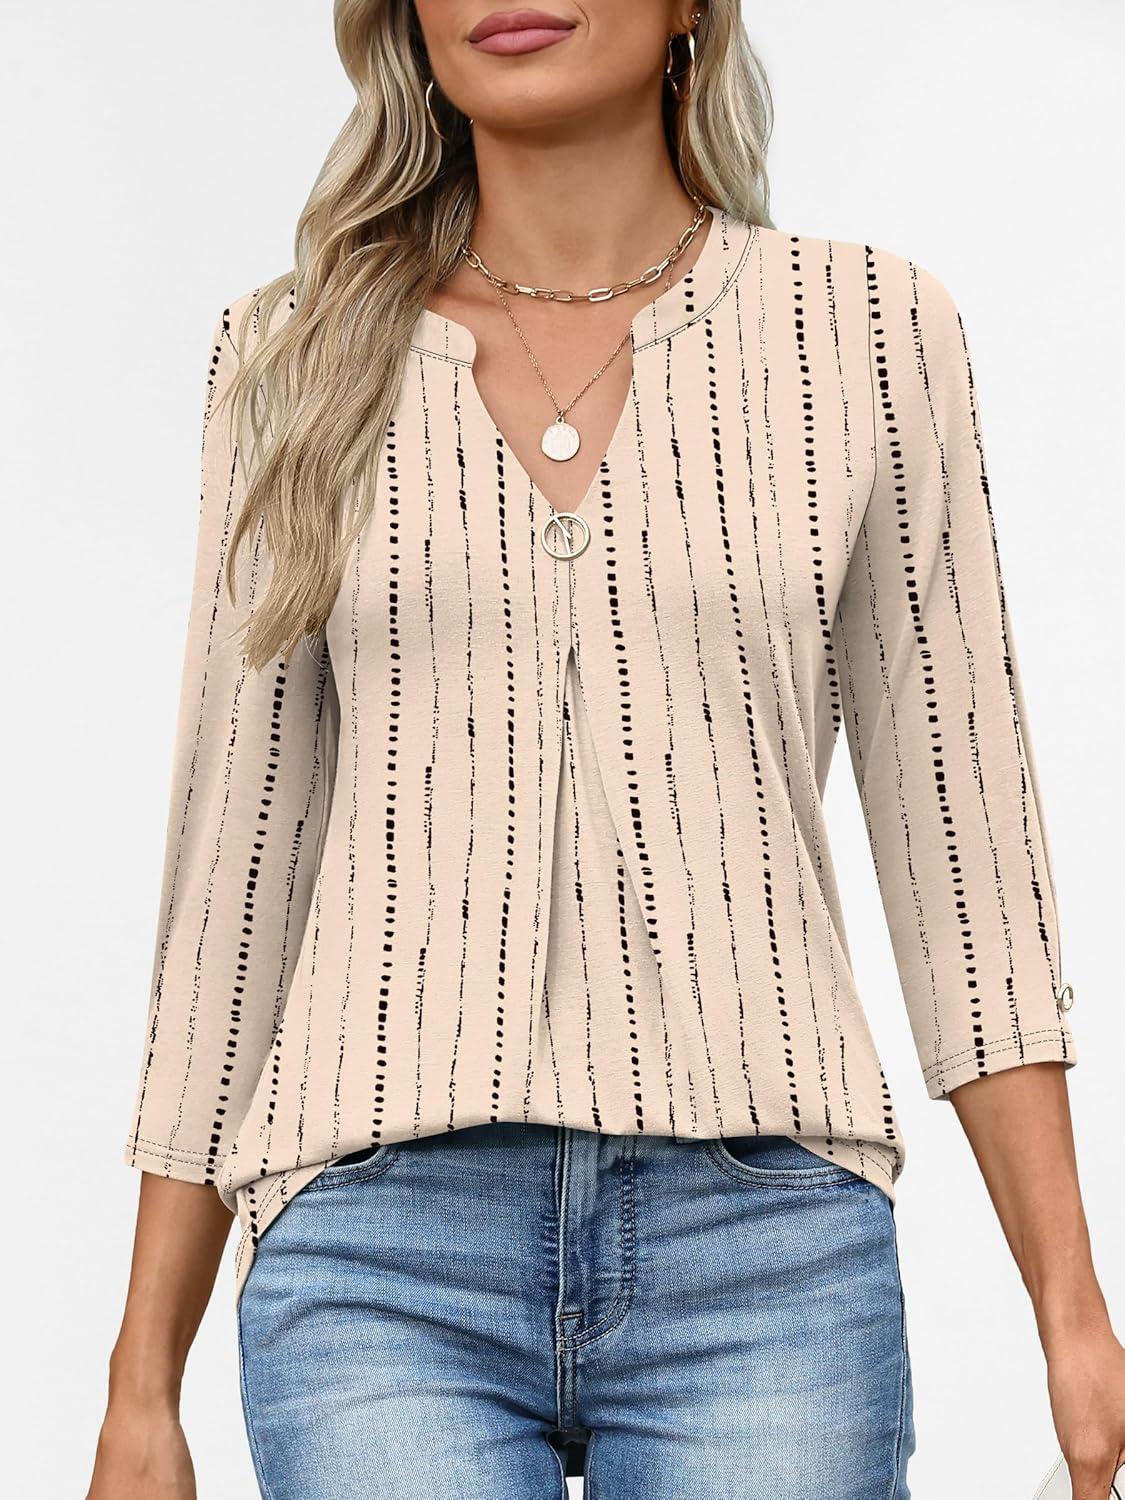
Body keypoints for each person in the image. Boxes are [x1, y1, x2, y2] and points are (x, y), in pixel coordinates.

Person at [87, 3, 1125, 1497]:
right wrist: (141, 1383)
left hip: (767, 1254)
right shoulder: (290, 354)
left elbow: (965, 862)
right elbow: (232, 885)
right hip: (376, 1259)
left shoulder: (868, 334)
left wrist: (1071, 1314)